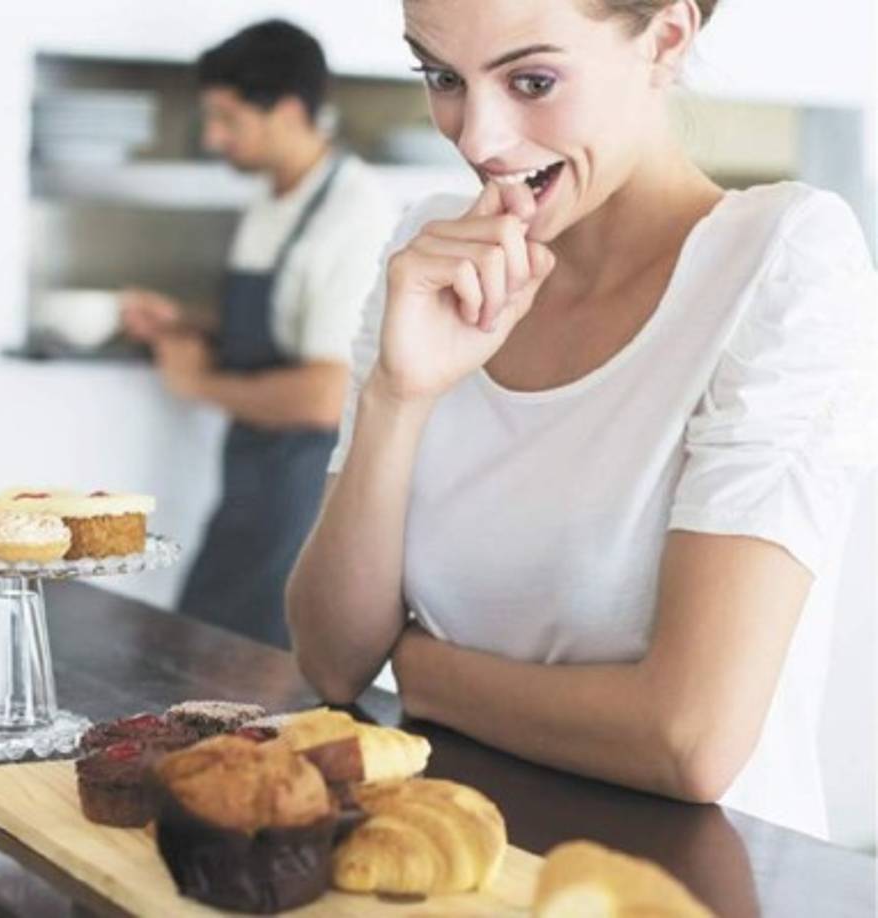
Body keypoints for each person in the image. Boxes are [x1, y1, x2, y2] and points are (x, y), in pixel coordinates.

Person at [287, 0, 877, 840]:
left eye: (533, 80)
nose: (480, 137)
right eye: (443, 77)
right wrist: (398, 396)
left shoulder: (781, 263)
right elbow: (334, 658)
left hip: (686, 885)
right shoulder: (431, 250)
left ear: (665, 39)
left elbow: (689, 739)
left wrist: (418, 667)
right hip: (458, 859)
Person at [122, 20, 398, 649]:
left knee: (251, 680)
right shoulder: (273, 197)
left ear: (291, 110)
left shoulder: (353, 217)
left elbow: (327, 393)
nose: (214, 138)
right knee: (194, 653)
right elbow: (278, 323)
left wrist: (197, 382)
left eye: (227, 118)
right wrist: (187, 322)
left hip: (304, 500)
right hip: (249, 483)